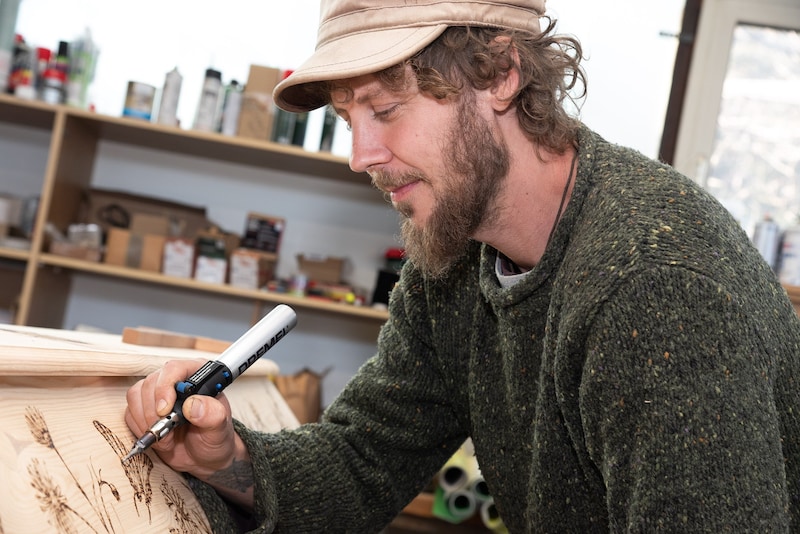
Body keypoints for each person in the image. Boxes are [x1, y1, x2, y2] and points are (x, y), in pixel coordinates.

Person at [125, 0, 800, 531]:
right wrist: (227, 459)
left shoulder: (657, 288)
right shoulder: (453, 255)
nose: (360, 154)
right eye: (347, 117)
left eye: (386, 108)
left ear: (500, 74)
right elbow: (360, 467)